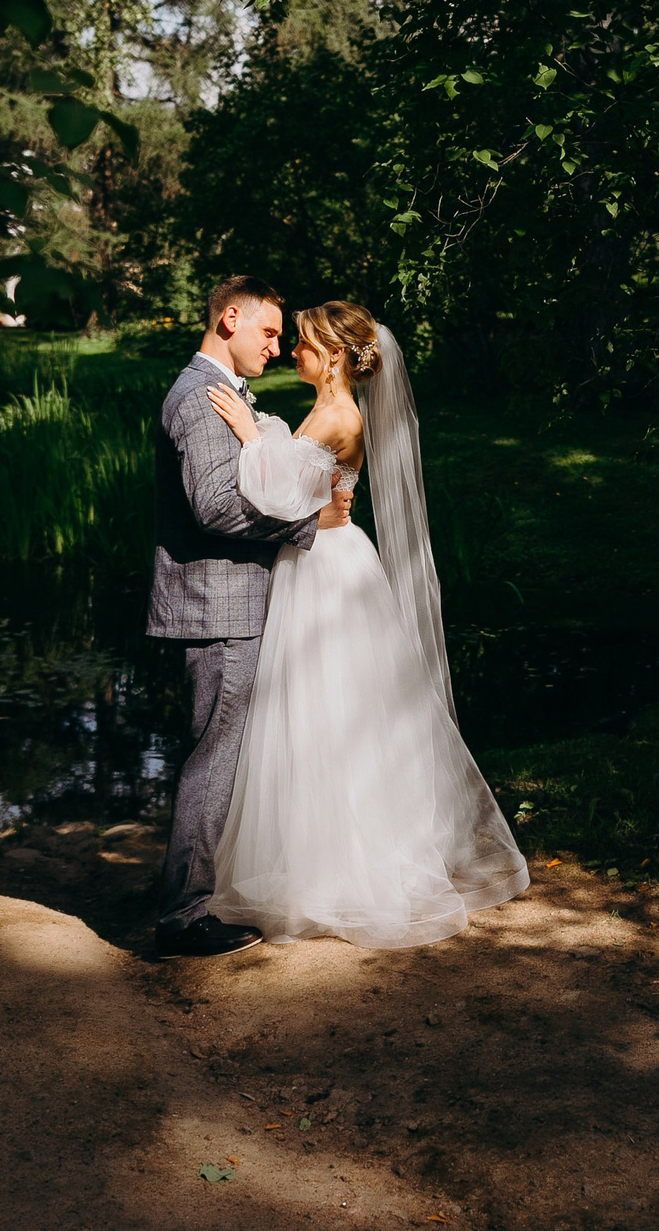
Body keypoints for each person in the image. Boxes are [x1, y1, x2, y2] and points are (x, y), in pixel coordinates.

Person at [199, 302, 528, 948]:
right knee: (317, 712)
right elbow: (302, 488)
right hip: (320, 559)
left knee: (330, 709)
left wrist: (248, 434)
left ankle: (344, 870)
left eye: (302, 344)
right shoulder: (327, 411)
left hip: (327, 571)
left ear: (334, 354)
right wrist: (268, 437)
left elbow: (275, 496)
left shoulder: (338, 415)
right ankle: (317, 854)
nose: (293, 352)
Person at [146, 276, 351, 959]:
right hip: (219, 604)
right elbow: (214, 508)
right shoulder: (200, 398)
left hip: (228, 599)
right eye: (268, 331)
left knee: (220, 755)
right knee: (214, 759)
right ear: (229, 318)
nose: (276, 345)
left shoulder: (221, 392)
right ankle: (182, 917)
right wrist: (306, 523)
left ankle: (188, 891)